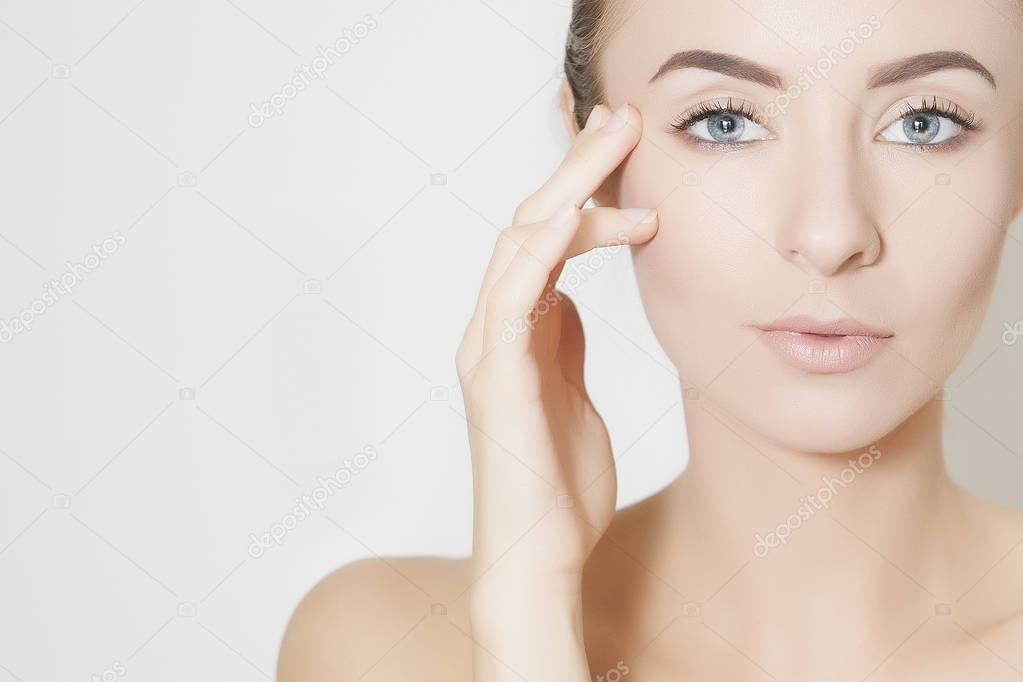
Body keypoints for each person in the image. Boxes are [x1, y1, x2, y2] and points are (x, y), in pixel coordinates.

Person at [278, 0, 1023, 679]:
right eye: (724, 121)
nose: (829, 235)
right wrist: (528, 613)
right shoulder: (382, 648)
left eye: (924, 122)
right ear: (591, 157)